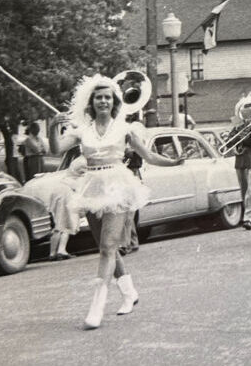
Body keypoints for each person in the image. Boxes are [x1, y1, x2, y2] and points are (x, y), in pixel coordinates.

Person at [63, 74, 184, 330]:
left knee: (108, 246)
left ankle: (97, 306)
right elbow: (54, 148)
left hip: (118, 186)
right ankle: (129, 292)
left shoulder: (125, 129)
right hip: (92, 187)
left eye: (108, 97)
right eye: (99, 97)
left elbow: (148, 155)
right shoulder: (82, 130)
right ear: (92, 102)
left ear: (115, 101)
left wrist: (172, 161)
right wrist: (54, 127)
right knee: (104, 247)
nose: (103, 101)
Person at [227, 93, 251, 230]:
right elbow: (229, 142)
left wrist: (250, 132)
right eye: (244, 108)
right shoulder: (237, 126)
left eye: (250, 108)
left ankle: (247, 218)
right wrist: (235, 144)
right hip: (240, 162)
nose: (247, 111)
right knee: (245, 192)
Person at [48, 156, 88, 260]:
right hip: (68, 191)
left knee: (58, 223)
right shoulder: (85, 161)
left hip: (59, 189)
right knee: (68, 222)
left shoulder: (77, 160)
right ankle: (61, 250)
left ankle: (52, 253)